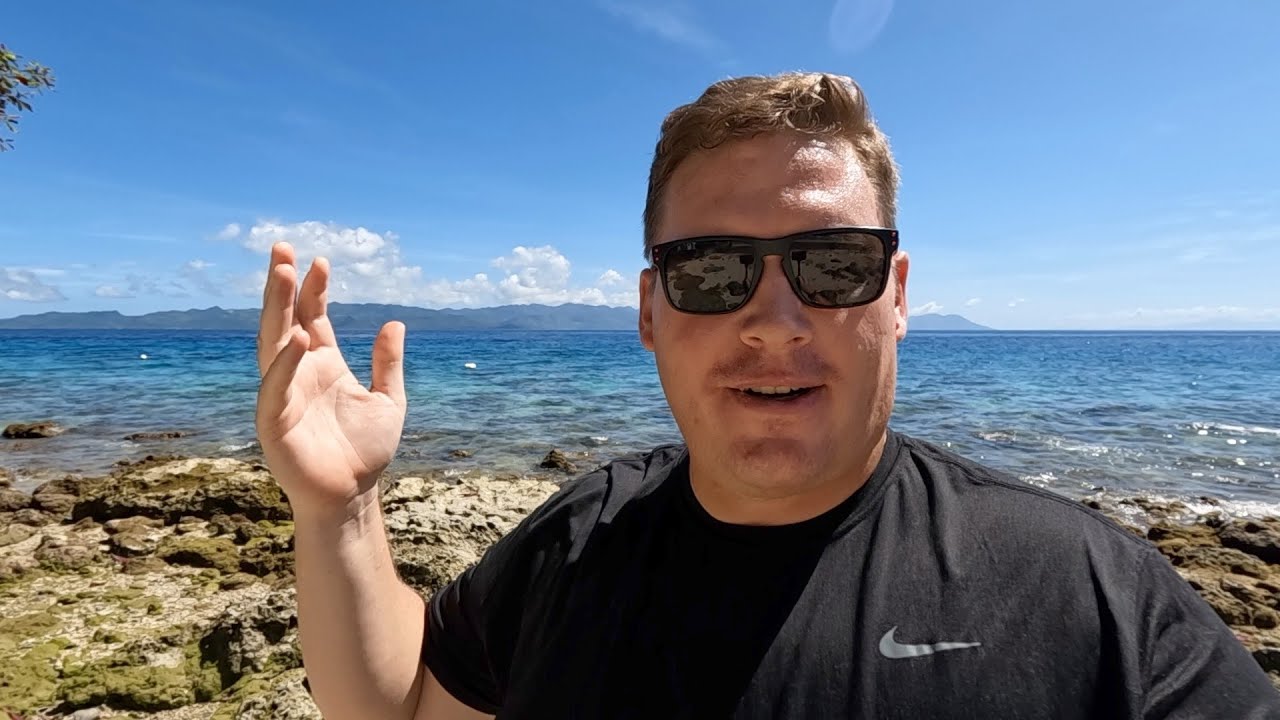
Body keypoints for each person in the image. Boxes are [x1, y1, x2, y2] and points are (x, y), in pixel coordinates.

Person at [254, 72, 1280, 719]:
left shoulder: (1083, 591)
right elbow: (402, 704)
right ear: (650, 309)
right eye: (713, 269)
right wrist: (338, 507)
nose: (776, 321)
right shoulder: (576, 541)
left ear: (896, 297)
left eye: (833, 264)